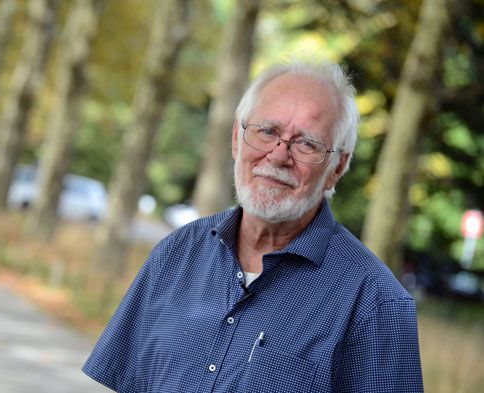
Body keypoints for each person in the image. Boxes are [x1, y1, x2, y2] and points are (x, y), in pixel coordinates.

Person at [82, 57, 424, 392]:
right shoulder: (177, 254)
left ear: (337, 167)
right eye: (267, 131)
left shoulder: (376, 306)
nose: (277, 156)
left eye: (307, 143)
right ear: (236, 138)